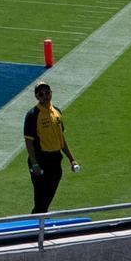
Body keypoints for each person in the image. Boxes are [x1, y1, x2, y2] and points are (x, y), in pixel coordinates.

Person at [21, 82, 78, 214]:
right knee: (40, 197)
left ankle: (40, 221)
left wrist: (72, 159)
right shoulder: (33, 115)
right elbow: (29, 142)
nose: (45, 96)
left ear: (51, 92)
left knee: (49, 194)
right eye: (41, 94)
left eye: (47, 92)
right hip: (40, 160)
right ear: (37, 97)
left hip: (55, 158)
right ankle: (37, 225)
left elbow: (61, 138)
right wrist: (34, 163)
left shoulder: (57, 112)